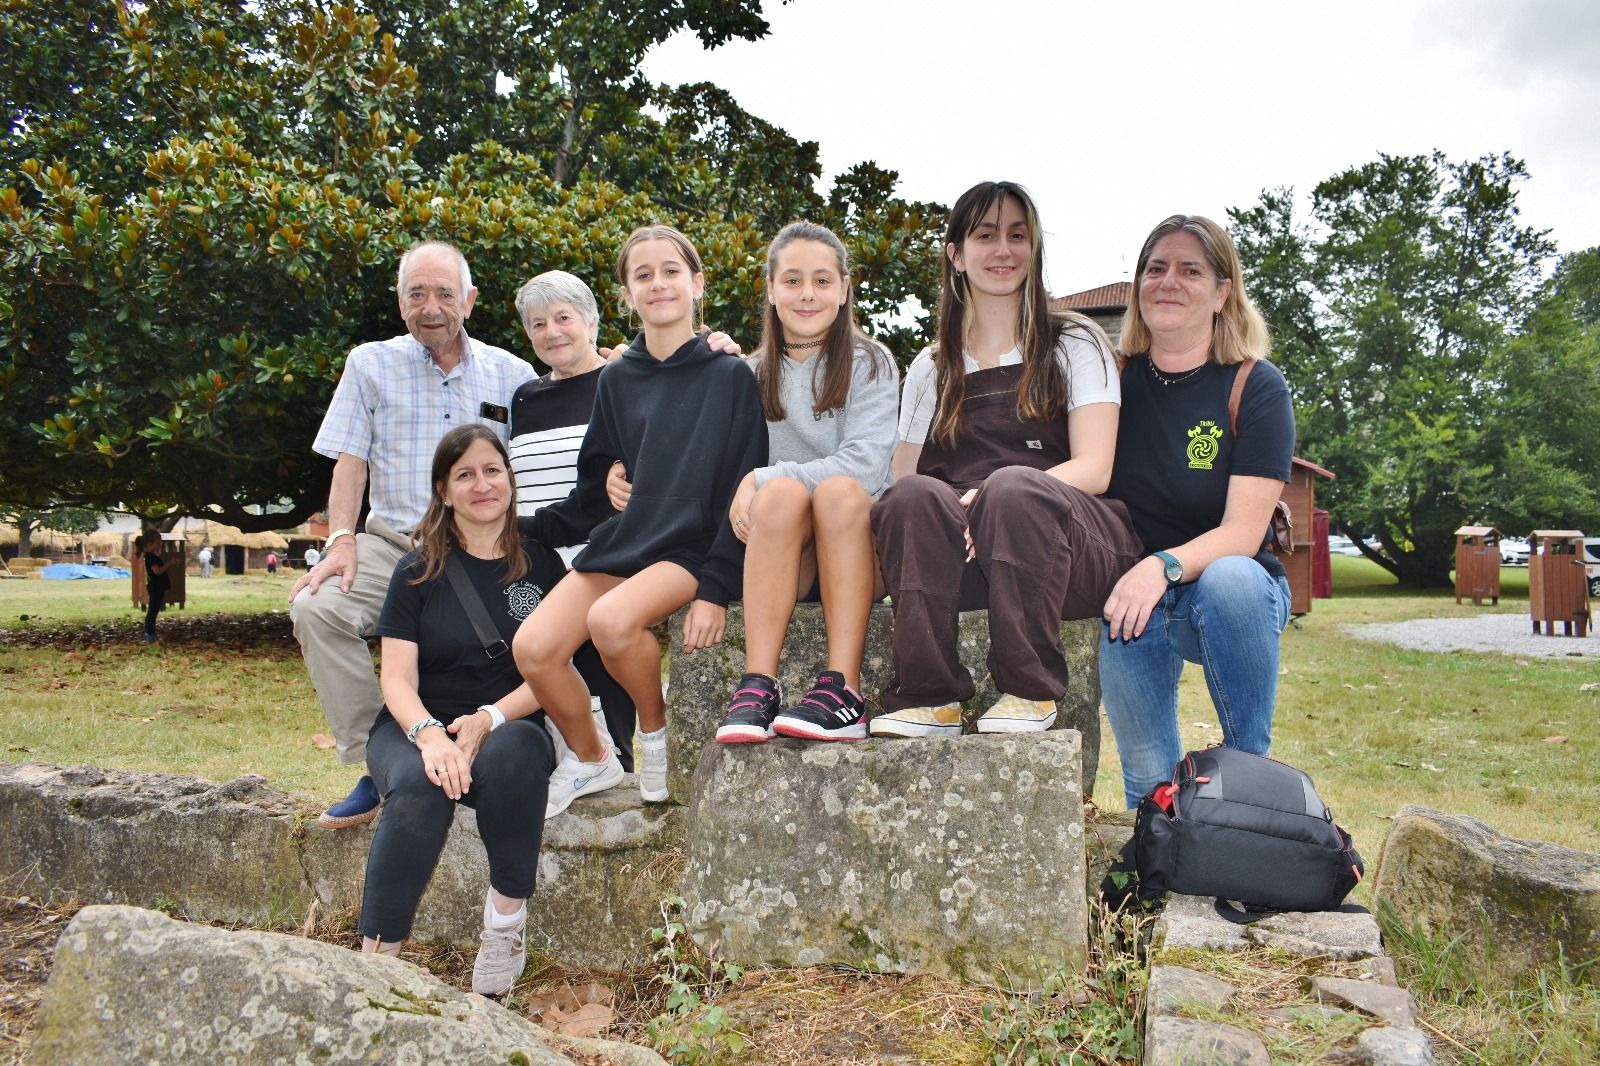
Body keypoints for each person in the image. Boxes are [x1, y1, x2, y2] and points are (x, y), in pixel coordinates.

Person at [870, 181, 1143, 738]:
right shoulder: (930, 367)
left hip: (1066, 547)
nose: (1003, 250)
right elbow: (905, 478)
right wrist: (957, 515)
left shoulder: (1075, 341)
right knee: (911, 497)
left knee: (1014, 487)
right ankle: (929, 695)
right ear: (956, 254)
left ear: (1034, 249)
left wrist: (987, 498)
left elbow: (1095, 468)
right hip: (971, 558)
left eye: (1018, 236)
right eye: (986, 235)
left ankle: (1029, 688)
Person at [514, 224, 767, 814]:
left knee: (611, 621)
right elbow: (592, 489)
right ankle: (593, 757)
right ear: (626, 295)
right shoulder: (616, 378)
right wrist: (523, 525)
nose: (659, 284)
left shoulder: (729, 374)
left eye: (671, 271)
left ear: (697, 283)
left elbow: (743, 487)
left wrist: (714, 589)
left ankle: (654, 733)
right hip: (627, 541)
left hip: (692, 547)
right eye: (643, 275)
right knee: (535, 647)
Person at [290, 240, 538, 830]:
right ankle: (378, 764)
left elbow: (573, 406)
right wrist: (341, 539)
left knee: (543, 634)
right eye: (416, 294)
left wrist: (616, 362)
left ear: (469, 301)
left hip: (482, 550)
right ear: (400, 302)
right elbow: (349, 461)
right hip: (393, 545)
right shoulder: (369, 364)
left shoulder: (513, 374)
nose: (431, 307)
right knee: (316, 608)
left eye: (444, 294)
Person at [1100, 214, 1295, 808]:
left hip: (1228, 596)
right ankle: (1160, 846)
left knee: (1235, 576)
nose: (1168, 282)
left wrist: (1160, 565)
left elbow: (1244, 533)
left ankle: (1252, 790)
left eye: (1190, 271)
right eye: (1155, 268)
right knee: (1148, 787)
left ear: (1221, 292)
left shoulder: (1255, 386)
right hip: (1133, 603)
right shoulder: (1110, 382)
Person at [358, 424, 558, 997]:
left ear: (510, 480)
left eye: (492, 470)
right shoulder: (416, 571)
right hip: (414, 722)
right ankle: (378, 959)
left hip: (510, 719)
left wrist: (490, 718)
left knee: (517, 756)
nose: (482, 484)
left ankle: (505, 925)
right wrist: (430, 738)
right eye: (465, 475)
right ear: (444, 491)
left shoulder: (543, 566)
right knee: (419, 786)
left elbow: (557, 670)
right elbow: (396, 678)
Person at [702, 221, 900, 742]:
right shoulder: (746, 372)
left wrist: (763, 476)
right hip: (783, 551)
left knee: (833, 490)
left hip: (858, 548)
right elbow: (701, 449)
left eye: (822, 280)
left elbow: (865, 466)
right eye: (792, 280)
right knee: (784, 495)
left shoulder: (870, 361)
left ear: (844, 289)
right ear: (771, 290)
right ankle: (757, 685)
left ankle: (844, 689)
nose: (807, 293)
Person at [507, 269, 637, 768]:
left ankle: (613, 761)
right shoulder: (524, 397)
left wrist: (524, 530)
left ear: (591, 322)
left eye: (563, 318)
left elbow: (609, 493)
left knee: (595, 667)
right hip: (529, 556)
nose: (552, 332)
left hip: (597, 553)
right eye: (538, 324)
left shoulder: (619, 382)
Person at [134, 532, 174, 644]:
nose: (160, 545)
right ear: (149, 544)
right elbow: (157, 571)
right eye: (158, 543)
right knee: (152, 611)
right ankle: (149, 634)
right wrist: (170, 563)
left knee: (153, 611)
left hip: (157, 587)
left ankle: (151, 633)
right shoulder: (150, 557)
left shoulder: (151, 556)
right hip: (156, 587)